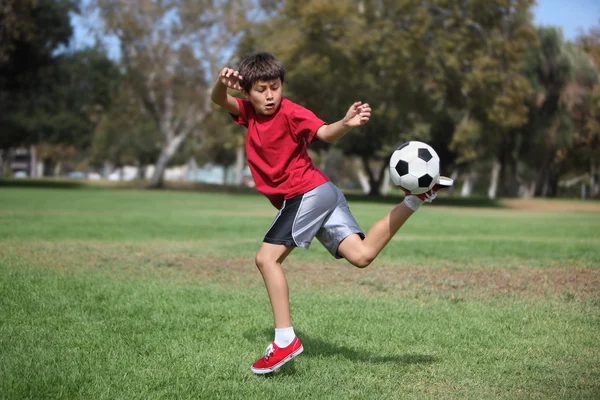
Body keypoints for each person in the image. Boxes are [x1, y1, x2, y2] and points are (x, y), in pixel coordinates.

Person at [210, 52, 453, 375]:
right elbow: (219, 99)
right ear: (247, 92)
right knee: (362, 255)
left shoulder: (290, 112)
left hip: (307, 193)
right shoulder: (249, 114)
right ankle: (416, 199)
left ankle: (285, 341)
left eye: (275, 87)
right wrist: (220, 82)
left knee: (266, 259)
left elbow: (323, 132)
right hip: (321, 193)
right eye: (261, 90)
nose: (270, 96)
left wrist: (346, 124)